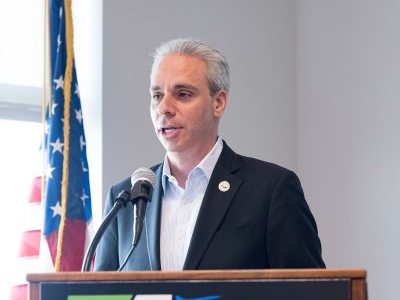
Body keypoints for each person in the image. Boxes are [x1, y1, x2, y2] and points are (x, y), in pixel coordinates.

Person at [94, 38, 325, 271]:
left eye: (183, 94)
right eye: (157, 96)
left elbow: (307, 289)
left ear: (218, 103)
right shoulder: (124, 200)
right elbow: (100, 292)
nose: (164, 108)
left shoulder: (271, 190)